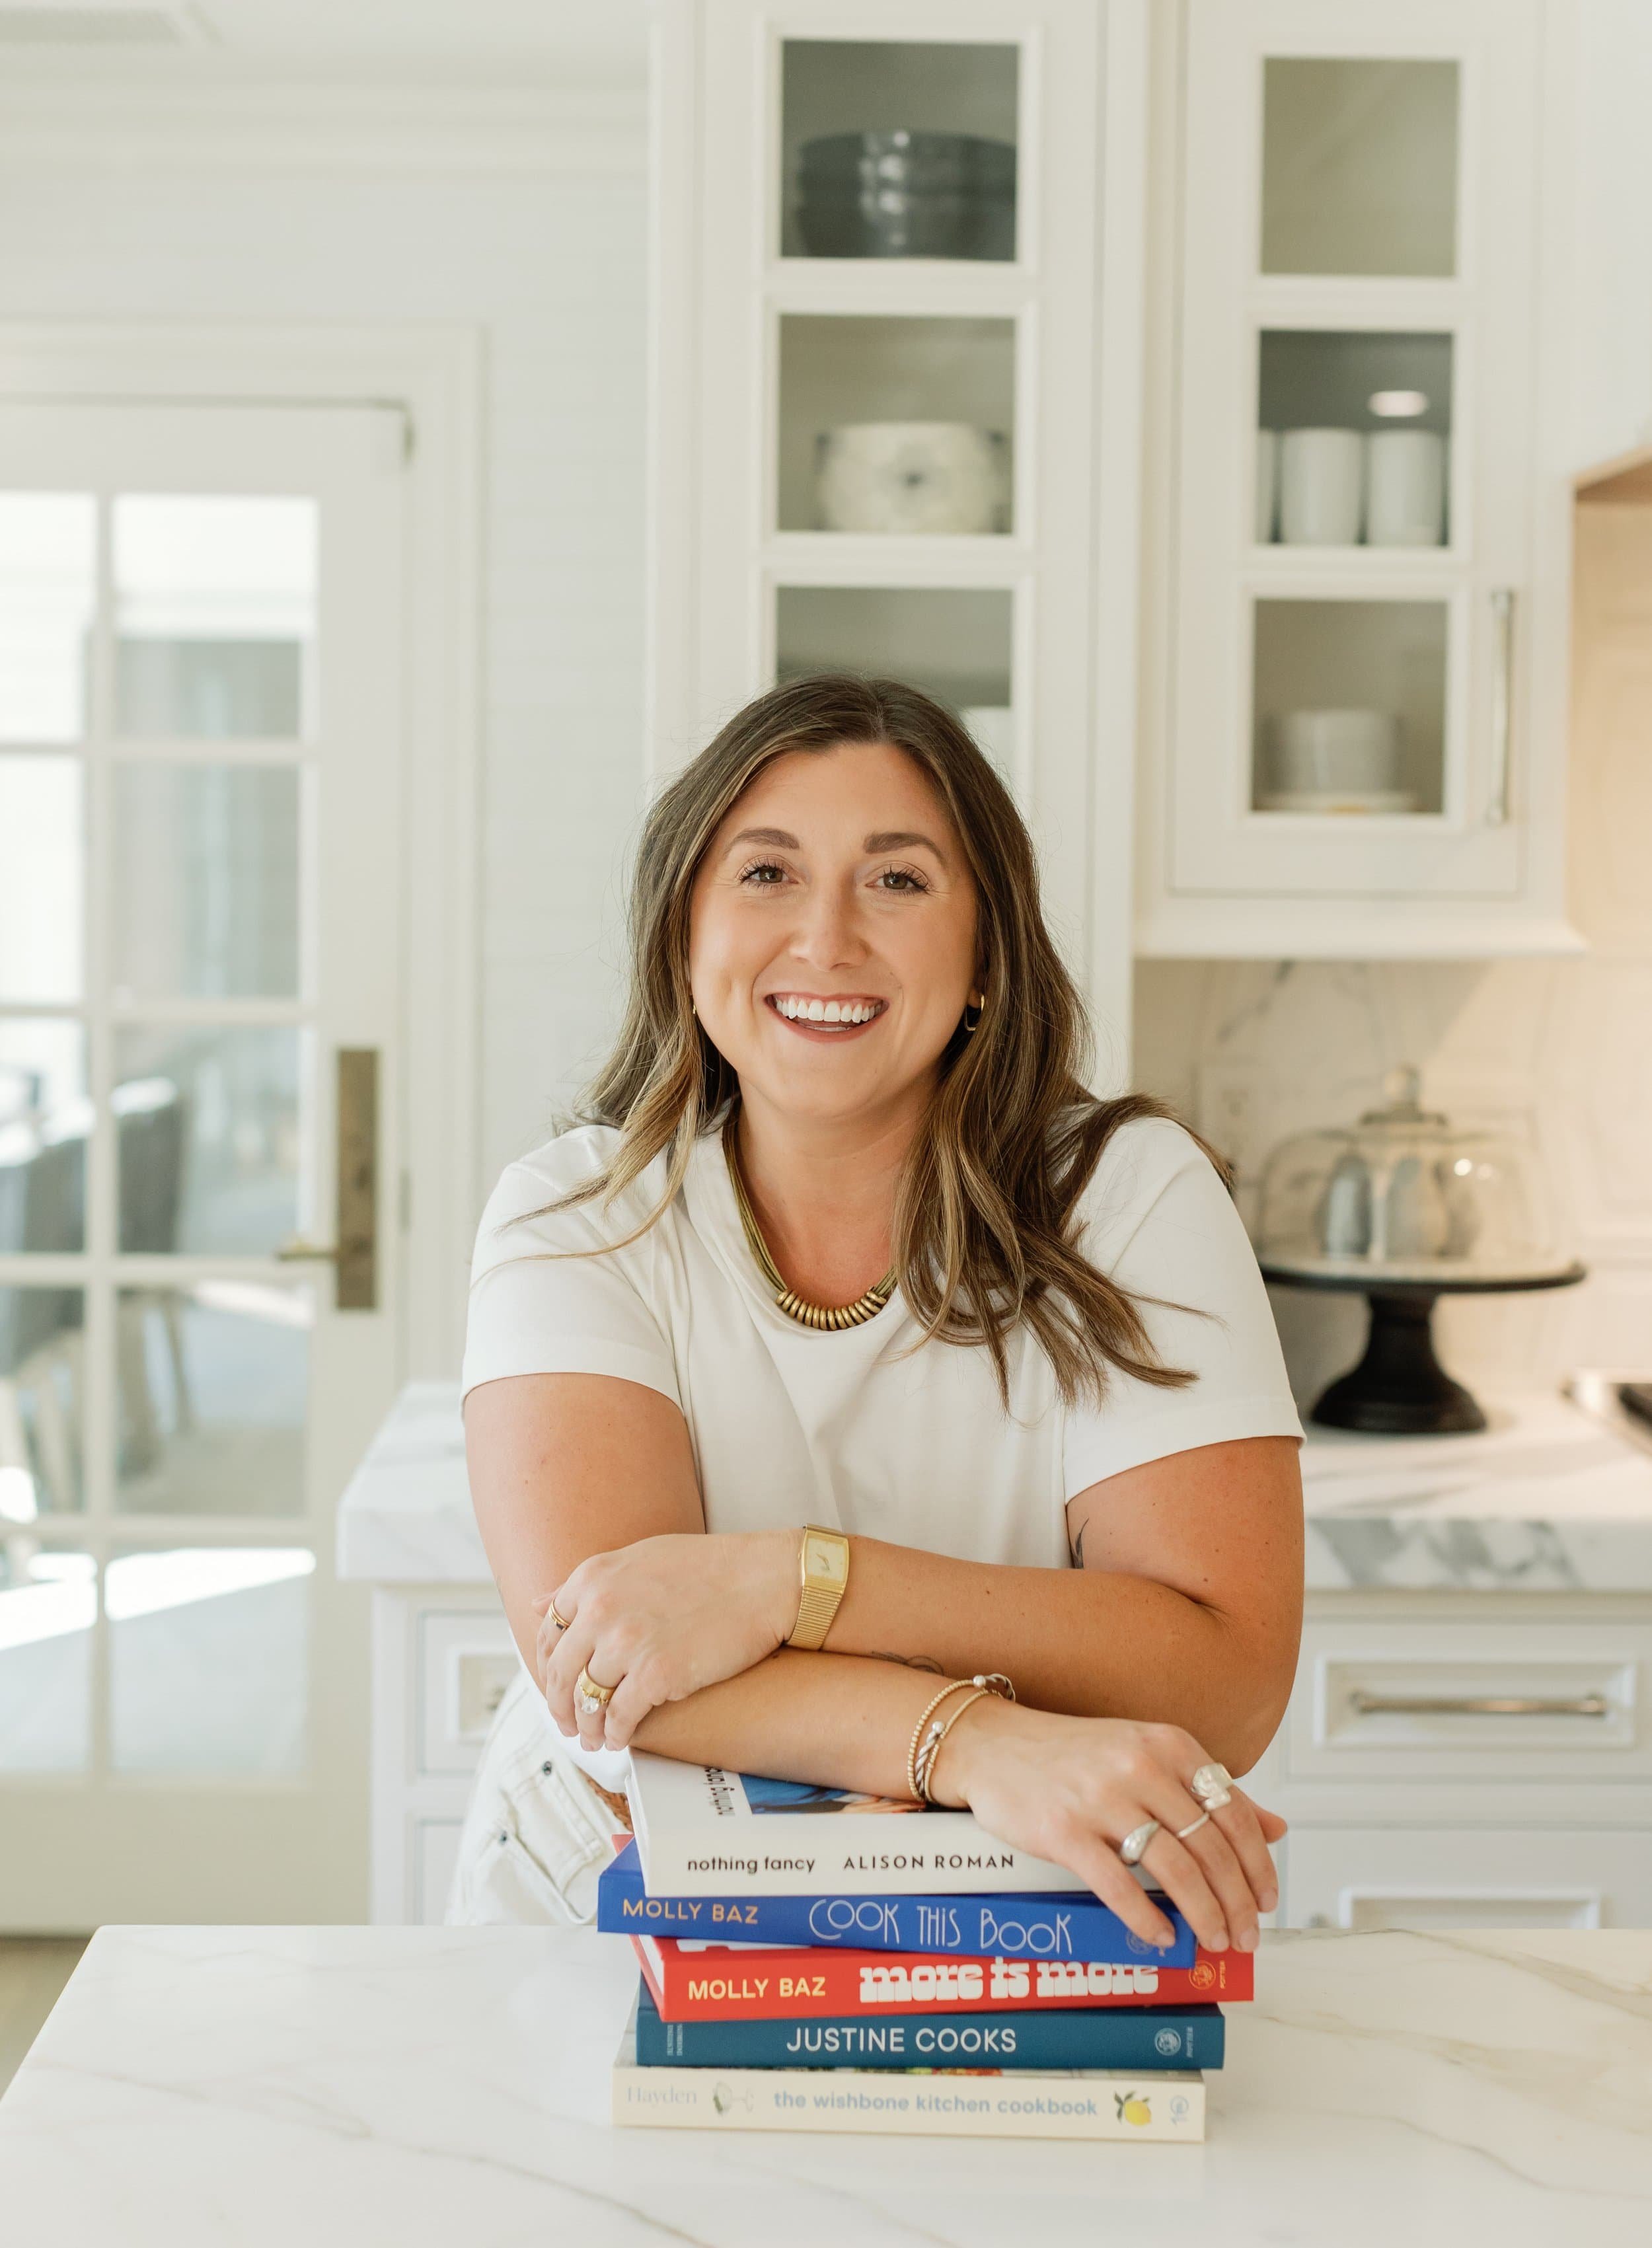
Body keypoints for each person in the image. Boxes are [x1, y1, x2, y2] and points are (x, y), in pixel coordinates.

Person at [451, 675, 1304, 1951]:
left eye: (898, 880)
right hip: (602, 1890)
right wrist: (978, 1739)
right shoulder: (575, 1217)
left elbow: (1225, 1677)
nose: (828, 939)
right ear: (686, 938)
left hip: (1025, 1889)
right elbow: (607, 1664)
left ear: (984, 955)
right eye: (767, 874)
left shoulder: (1126, 1196)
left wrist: (785, 1581)